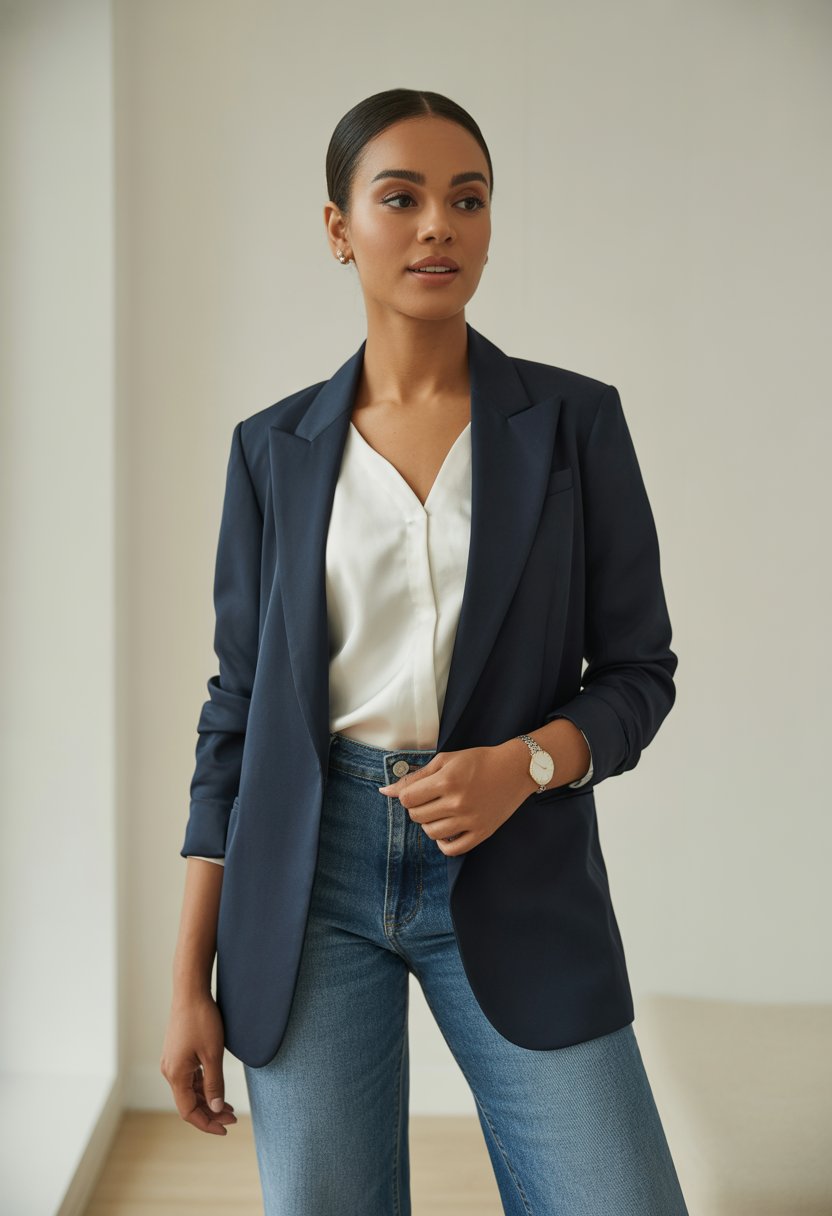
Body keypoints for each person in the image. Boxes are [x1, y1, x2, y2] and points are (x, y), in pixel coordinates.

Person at [161, 87, 690, 1215]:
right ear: (340, 228)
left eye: (467, 199)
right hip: (305, 876)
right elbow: (236, 712)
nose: (437, 225)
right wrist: (184, 981)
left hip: (516, 857)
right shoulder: (273, 451)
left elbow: (641, 673)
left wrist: (530, 763)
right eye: (399, 198)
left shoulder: (572, 425)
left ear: (490, 226)